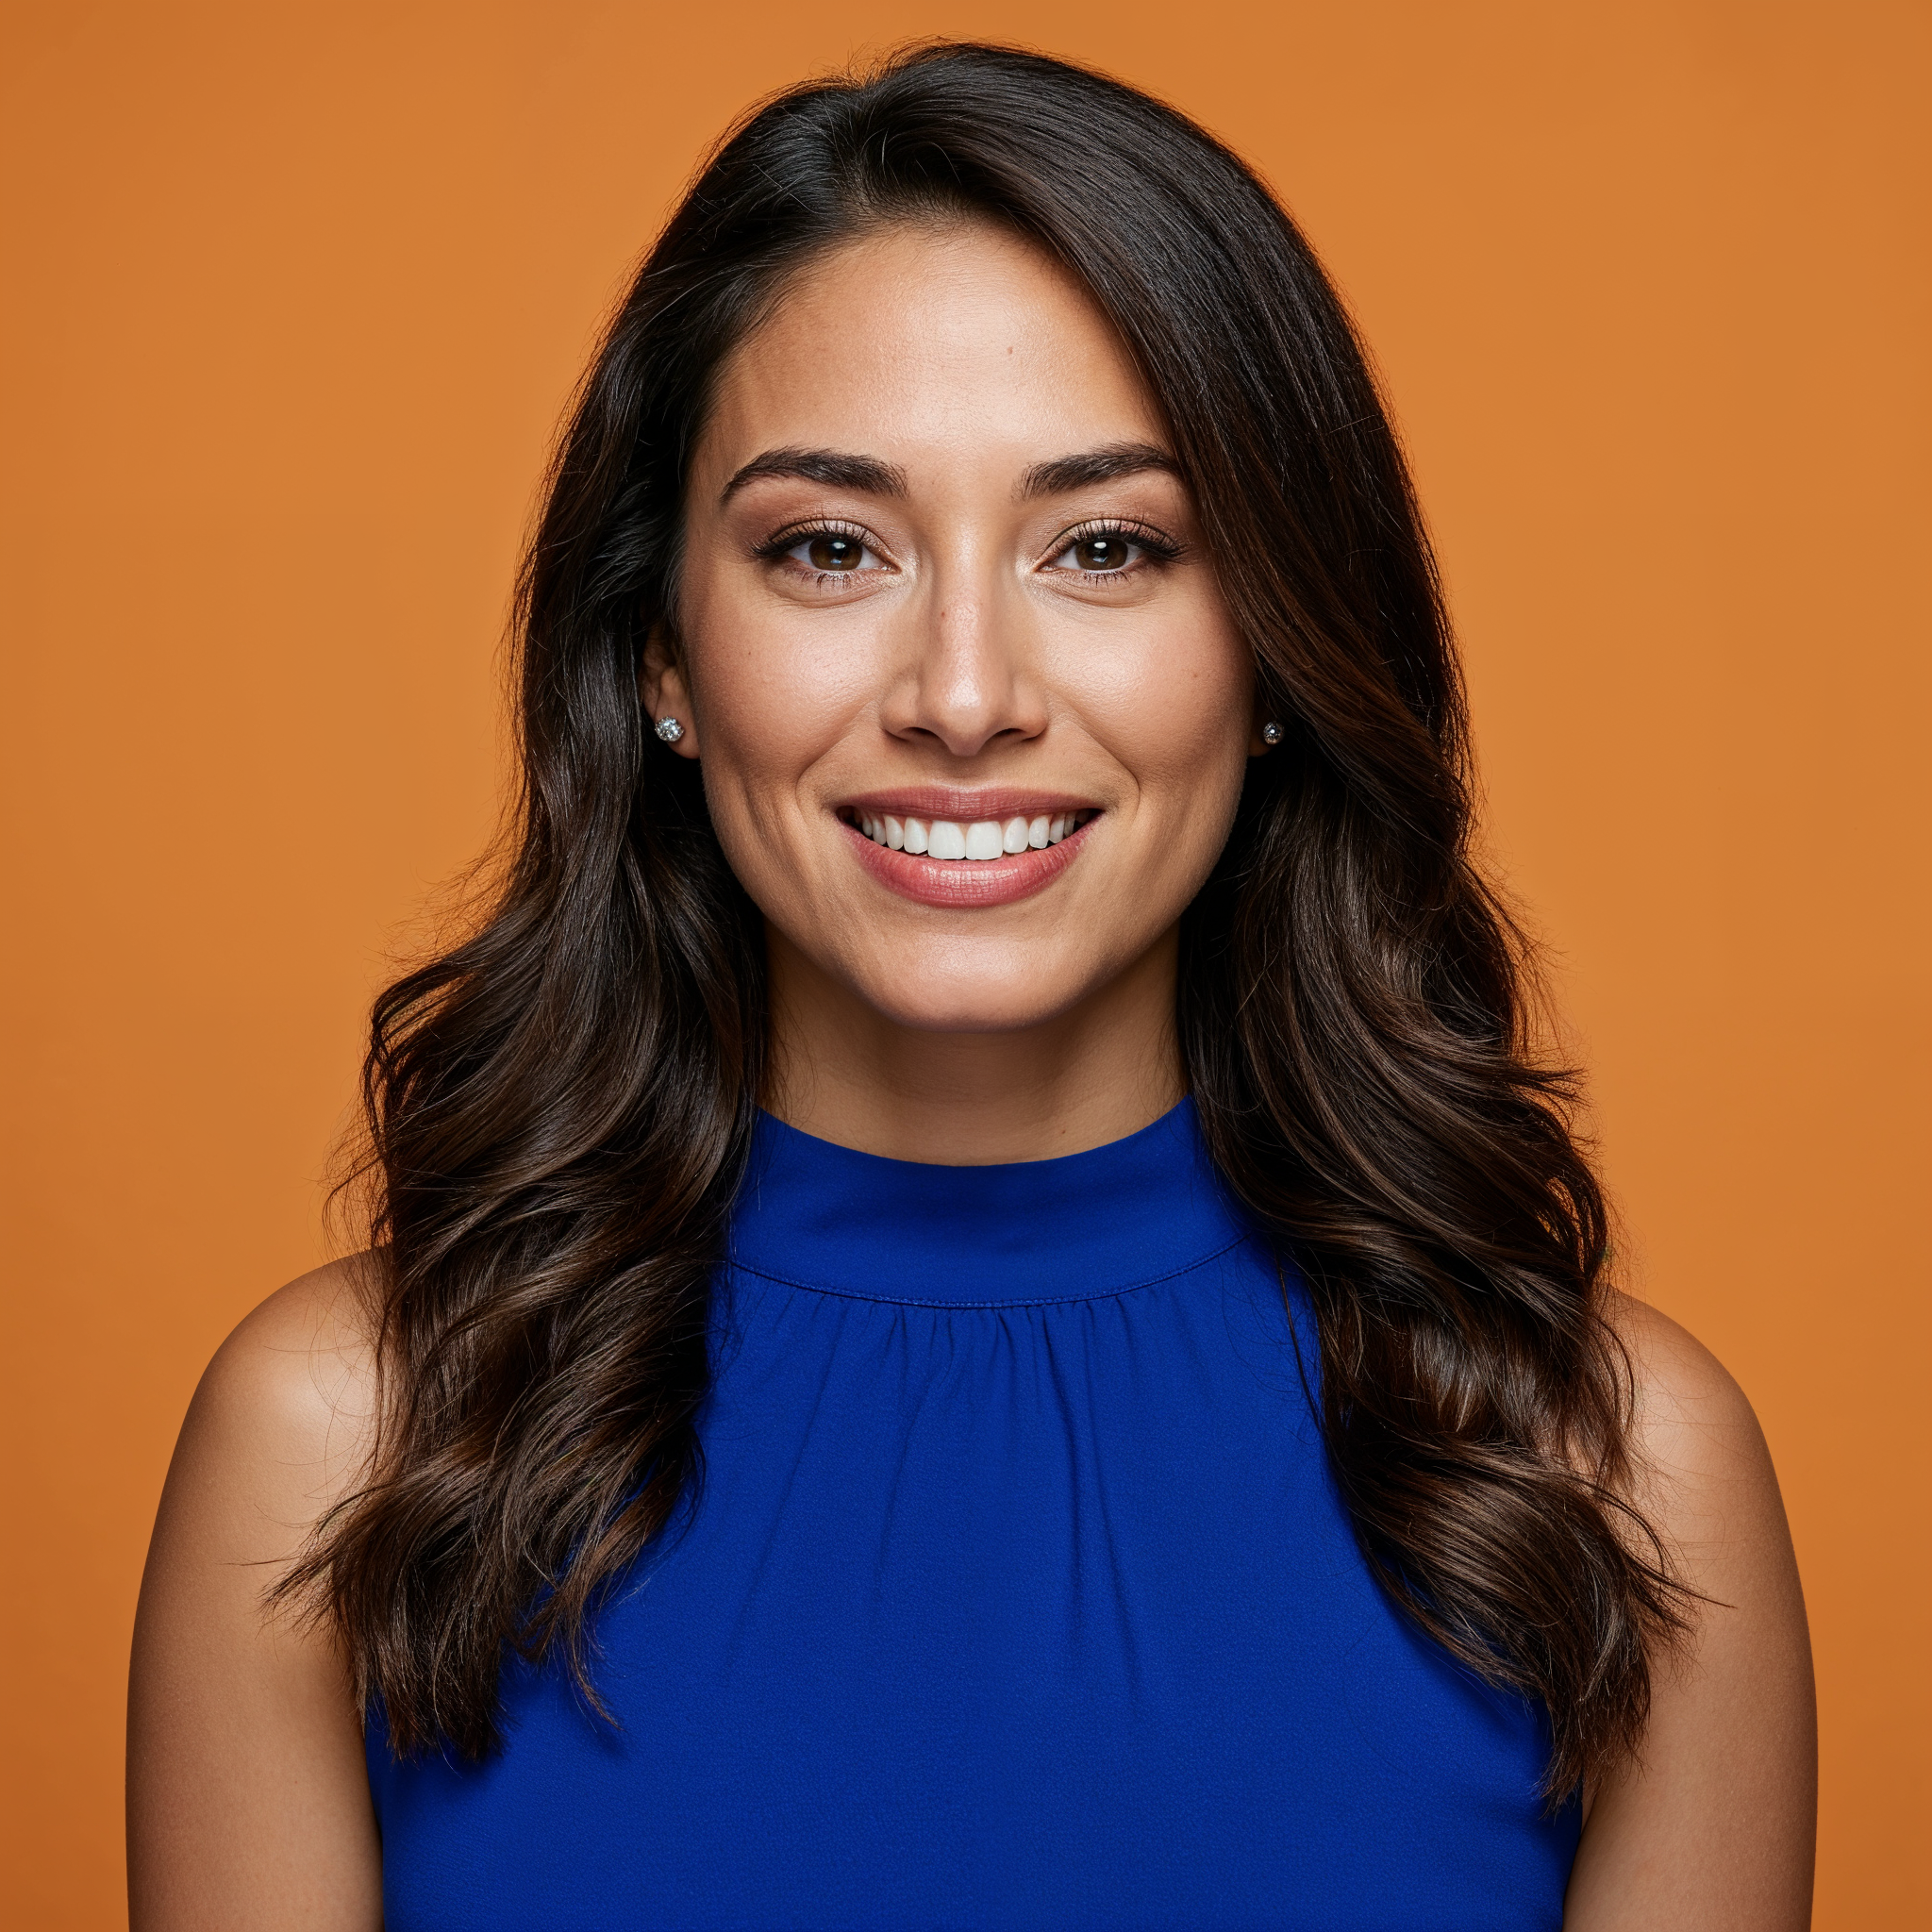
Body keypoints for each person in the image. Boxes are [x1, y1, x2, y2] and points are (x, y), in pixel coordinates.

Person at [126, 42, 1815, 1931]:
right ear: (661, 657)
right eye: (828, 547)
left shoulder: (1620, 1481)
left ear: (1270, 648)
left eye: (1105, 545)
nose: (959, 691)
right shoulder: (341, 1444)